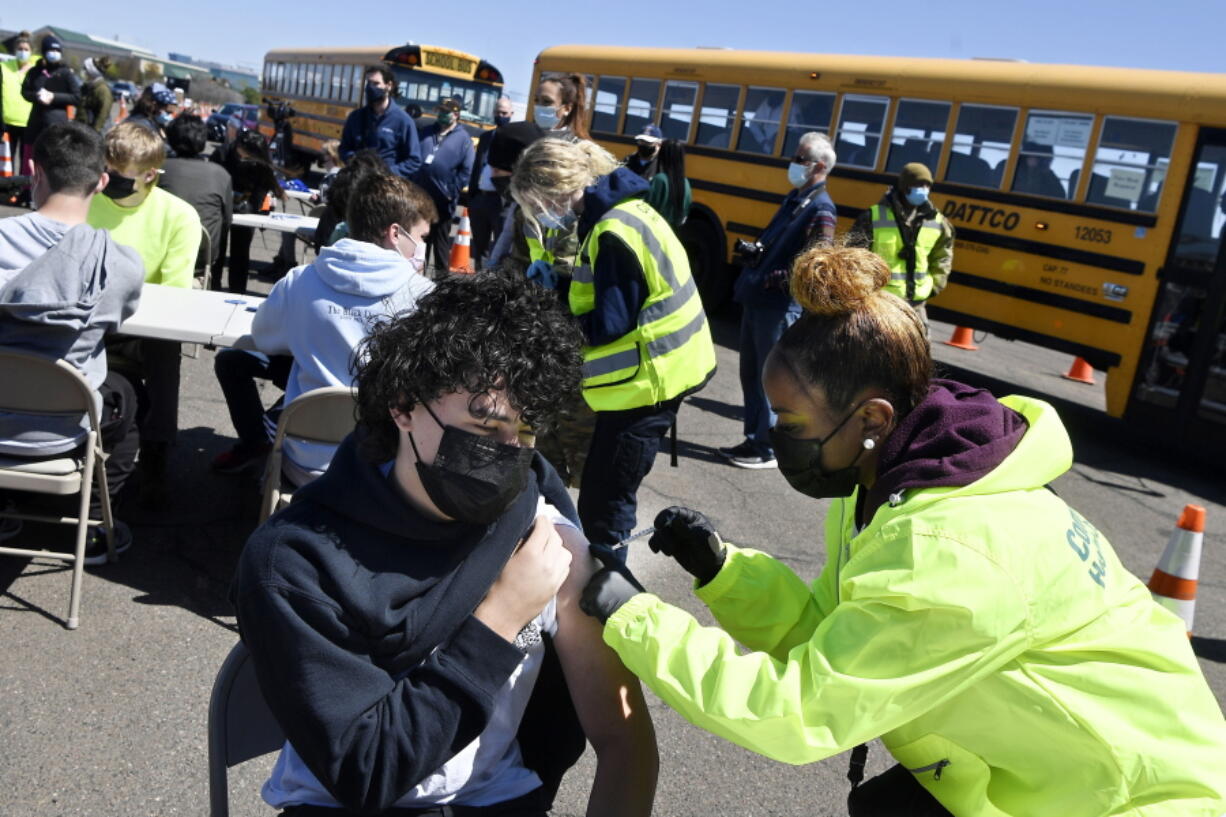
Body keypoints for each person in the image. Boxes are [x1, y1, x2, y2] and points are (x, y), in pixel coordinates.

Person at [579, 244, 1226, 817]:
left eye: (791, 420)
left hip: (1135, 799)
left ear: (872, 416)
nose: (778, 436)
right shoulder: (891, 479)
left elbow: (798, 710)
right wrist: (726, 571)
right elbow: (839, 639)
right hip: (1041, 770)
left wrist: (633, 616)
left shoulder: (948, 546)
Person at [231, 270, 658, 816]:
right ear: (404, 406)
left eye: (525, 435)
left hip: (496, 801)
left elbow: (625, 744)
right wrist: (502, 618)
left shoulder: (542, 527)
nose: (507, 454)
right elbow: (366, 772)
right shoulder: (297, 561)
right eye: (484, 429)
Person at [510, 138, 717, 555]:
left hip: (649, 387)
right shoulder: (627, 212)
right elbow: (614, 297)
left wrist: (553, 313)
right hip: (660, 378)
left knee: (606, 506)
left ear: (555, 189)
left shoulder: (611, 230)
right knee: (604, 496)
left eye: (537, 203)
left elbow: (609, 324)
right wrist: (564, 285)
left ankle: (606, 592)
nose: (541, 214)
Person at [211, 173, 437, 479]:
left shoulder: (300, 280)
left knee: (242, 361)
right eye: (422, 237)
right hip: (382, 473)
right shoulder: (422, 297)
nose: (423, 246)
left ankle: (257, 447)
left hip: (301, 462)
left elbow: (264, 338)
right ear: (395, 233)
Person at [0, 122, 144, 562]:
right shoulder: (121, 265)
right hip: (64, 429)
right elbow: (118, 322)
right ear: (102, 181)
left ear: (32, 168)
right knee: (128, 401)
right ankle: (98, 523)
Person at [87, 121, 202, 500]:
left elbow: (174, 294)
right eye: (106, 170)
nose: (108, 181)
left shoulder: (178, 216)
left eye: (121, 176)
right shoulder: (86, 201)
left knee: (163, 349)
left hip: (143, 325)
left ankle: (156, 449)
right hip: (88, 317)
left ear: (151, 175)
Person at [718, 131, 837, 470]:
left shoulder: (821, 208)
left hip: (779, 305)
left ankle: (769, 447)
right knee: (751, 374)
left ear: (818, 166)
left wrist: (776, 278)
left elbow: (817, 261)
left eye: (799, 159)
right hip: (758, 299)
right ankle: (754, 438)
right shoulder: (795, 199)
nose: (792, 163)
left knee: (770, 378)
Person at [851, 162, 953, 332]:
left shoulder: (937, 221)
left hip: (916, 306)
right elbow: (855, 256)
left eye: (927, 185)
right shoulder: (873, 216)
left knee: (918, 353)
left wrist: (934, 286)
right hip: (880, 303)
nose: (924, 189)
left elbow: (943, 256)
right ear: (905, 187)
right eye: (919, 184)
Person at [212, 128, 285, 293]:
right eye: (245, 153)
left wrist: (260, 210)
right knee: (217, 250)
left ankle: (237, 290)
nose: (246, 158)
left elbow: (264, 189)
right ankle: (213, 287)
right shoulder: (221, 154)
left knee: (241, 252)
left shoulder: (261, 162)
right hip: (221, 206)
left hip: (247, 206)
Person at [160, 113, 233, 272]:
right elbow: (226, 221)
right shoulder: (220, 174)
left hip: (159, 252)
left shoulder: (157, 169)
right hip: (201, 259)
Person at [412, 97, 475, 272]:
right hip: (419, 198)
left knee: (440, 247)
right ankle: (415, 283)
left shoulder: (463, 140)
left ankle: (441, 286)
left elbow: (467, 170)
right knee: (418, 244)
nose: (441, 114)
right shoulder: (426, 131)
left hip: (443, 201)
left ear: (455, 114)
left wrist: (451, 190)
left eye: (445, 112)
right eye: (439, 111)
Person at [338, 65, 421, 179]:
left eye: (376, 83)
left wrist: (386, 172)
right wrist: (355, 162)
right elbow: (344, 148)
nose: (370, 88)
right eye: (368, 83)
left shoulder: (404, 121)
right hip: (357, 182)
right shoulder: (356, 117)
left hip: (386, 186)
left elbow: (414, 160)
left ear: (389, 86)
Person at [20, 35, 80, 177]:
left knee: (51, 161)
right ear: (44, 52)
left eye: (56, 50)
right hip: (35, 124)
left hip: (56, 124)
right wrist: (37, 96)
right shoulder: (35, 72)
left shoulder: (65, 73)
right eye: (50, 50)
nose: (54, 53)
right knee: (30, 159)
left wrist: (54, 97)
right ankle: (27, 190)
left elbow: (77, 97)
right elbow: (24, 92)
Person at [467, 96, 515, 266]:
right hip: (480, 198)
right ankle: (480, 280)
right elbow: (476, 166)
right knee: (480, 247)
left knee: (500, 248)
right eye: (497, 112)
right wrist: (471, 197)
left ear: (511, 114)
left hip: (501, 202)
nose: (500, 115)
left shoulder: (514, 139)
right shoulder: (486, 137)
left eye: (504, 113)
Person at [1, 32, 37, 180]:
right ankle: (5, 189)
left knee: (26, 159)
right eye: (20, 49)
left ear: (31, 51)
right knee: (6, 160)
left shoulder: (36, 69)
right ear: (15, 50)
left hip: (28, 122)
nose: (23, 52)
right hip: (7, 121)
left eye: (26, 49)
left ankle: (23, 190)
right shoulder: (4, 67)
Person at [644, 139, 691, 229]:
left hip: (654, 230)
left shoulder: (660, 180)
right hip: (672, 234)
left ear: (663, 156)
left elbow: (647, 208)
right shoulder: (686, 183)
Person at [532, 74, 589, 141]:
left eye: (547, 101)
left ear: (567, 109)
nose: (539, 106)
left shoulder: (575, 147)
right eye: (536, 100)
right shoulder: (523, 137)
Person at [123, 83, 178, 149]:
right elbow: (154, 147)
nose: (163, 112)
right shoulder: (142, 124)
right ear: (154, 104)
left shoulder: (152, 122)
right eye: (163, 106)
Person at [75, 57, 113, 134]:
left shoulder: (103, 90)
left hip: (94, 132)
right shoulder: (86, 87)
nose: (84, 71)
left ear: (92, 72)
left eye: (85, 69)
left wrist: (94, 132)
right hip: (82, 128)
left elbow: (103, 113)